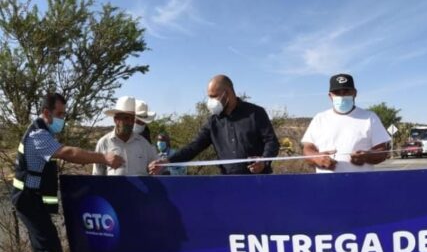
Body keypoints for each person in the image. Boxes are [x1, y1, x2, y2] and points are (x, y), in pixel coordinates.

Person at [11, 93, 124, 252]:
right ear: (46, 113)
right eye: (60, 114)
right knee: (50, 249)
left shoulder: (43, 131)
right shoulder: (38, 135)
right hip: (27, 199)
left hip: (32, 198)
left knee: (41, 249)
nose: (63, 118)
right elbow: (69, 153)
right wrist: (103, 158)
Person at [150, 75, 279, 175]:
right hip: (228, 184)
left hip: (258, 180)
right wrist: (168, 161)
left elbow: (272, 142)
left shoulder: (255, 113)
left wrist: (263, 161)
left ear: (227, 93)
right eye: (209, 97)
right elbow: (194, 147)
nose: (210, 101)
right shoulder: (213, 122)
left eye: (214, 96)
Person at [302, 74, 391, 173]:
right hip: (326, 184)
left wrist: (367, 156)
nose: (342, 96)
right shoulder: (319, 119)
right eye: (337, 93)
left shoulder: (369, 117)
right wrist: (316, 157)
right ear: (330, 96)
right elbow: (308, 148)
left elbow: (382, 151)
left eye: (346, 92)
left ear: (355, 93)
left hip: (361, 184)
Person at [93, 96, 158, 176]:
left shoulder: (144, 144)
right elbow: (97, 175)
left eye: (132, 119)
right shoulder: (104, 143)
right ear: (116, 119)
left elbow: (155, 170)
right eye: (126, 118)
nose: (130, 122)